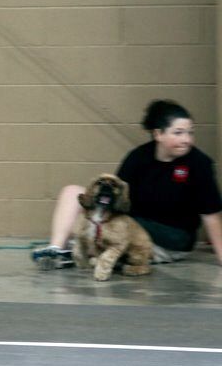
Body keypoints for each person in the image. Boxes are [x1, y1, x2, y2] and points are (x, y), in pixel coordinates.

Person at [32, 99, 222, 270]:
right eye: (179, 133)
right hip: (129, 225)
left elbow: (211, 216)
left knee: (123, 227)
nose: (187, 139)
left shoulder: (199, 164)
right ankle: (57, 250)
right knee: (72, 192)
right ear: (158, 134)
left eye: (190, 133)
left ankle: (94, 252)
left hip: (171, 238)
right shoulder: (138, 157)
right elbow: (114, 199)